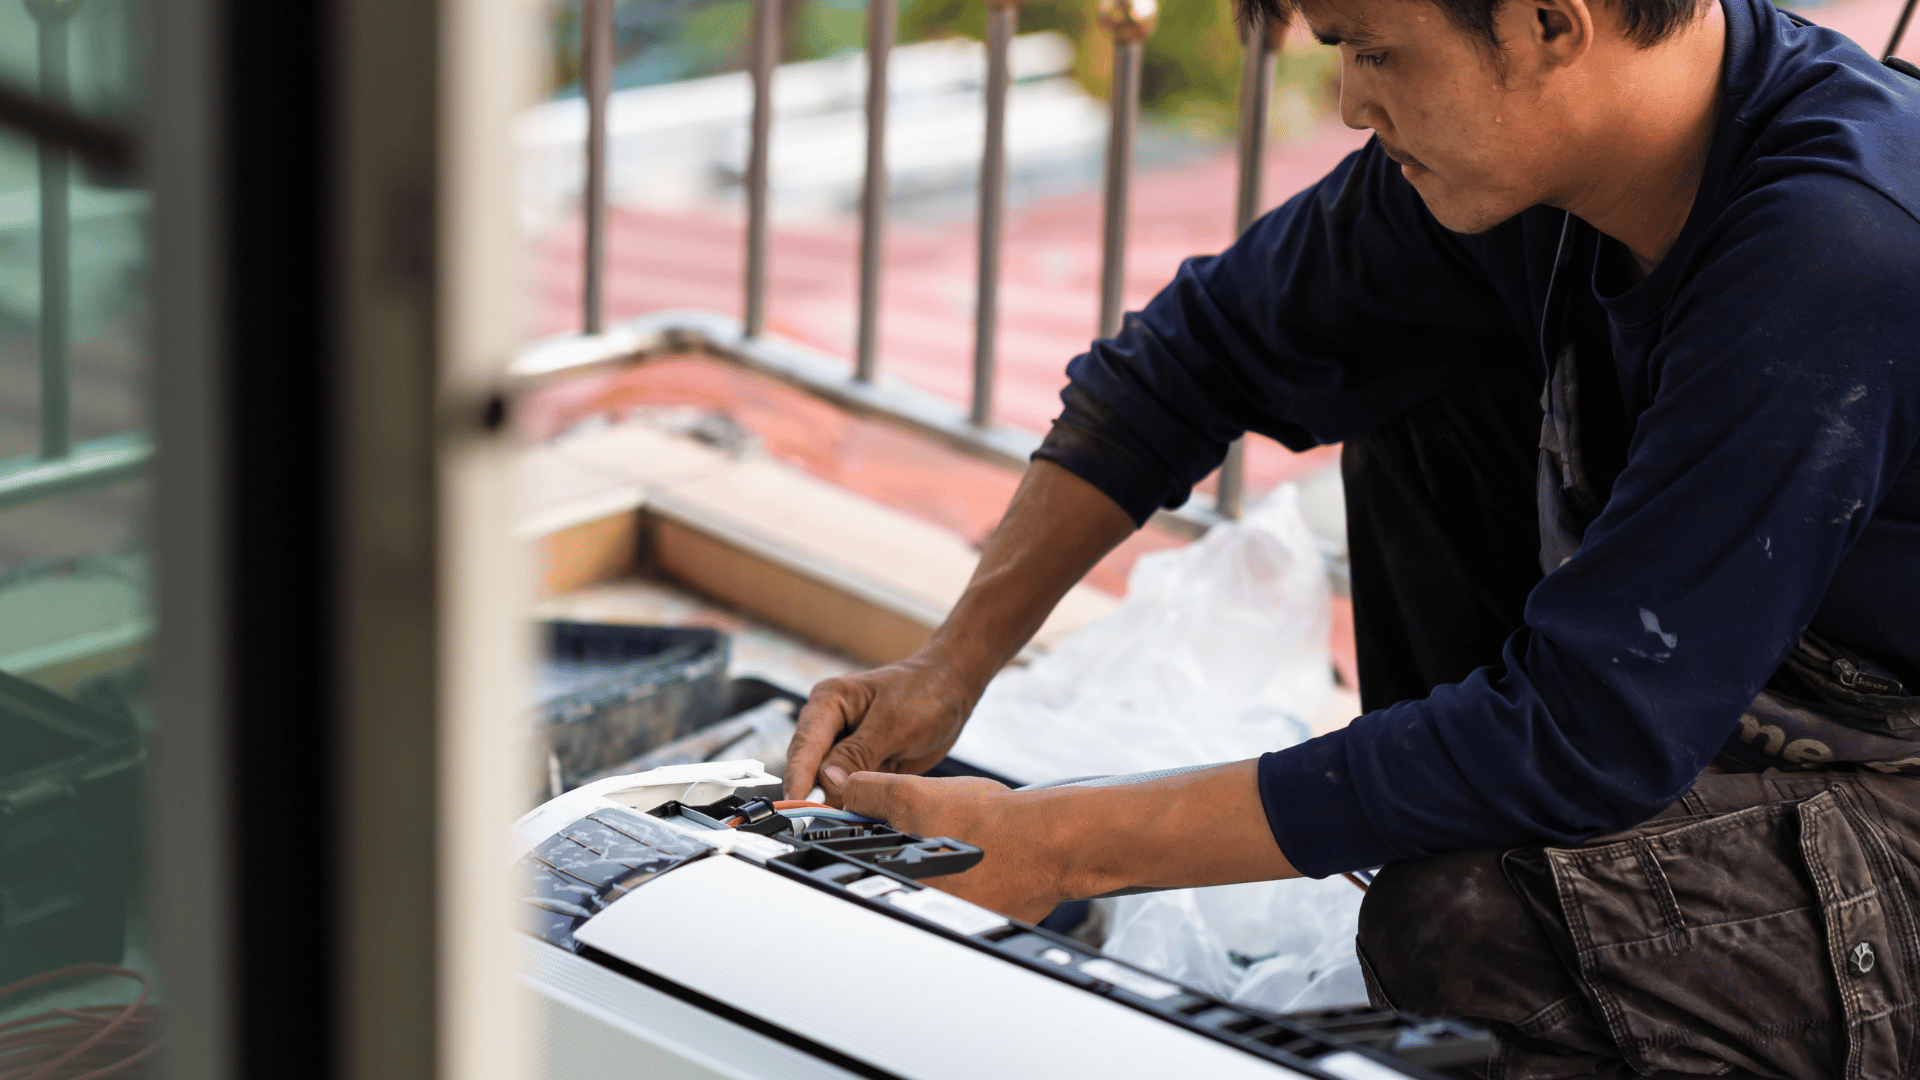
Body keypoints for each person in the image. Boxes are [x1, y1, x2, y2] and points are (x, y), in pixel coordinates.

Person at [783, 0, 1920, 1071]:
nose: (1350, 104)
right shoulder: (1545, 164)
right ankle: (1482, 835)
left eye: (1373, 50)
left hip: (1892, 791)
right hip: (1700, 698)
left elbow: (1585, 734)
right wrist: (948, 666)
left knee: (1472, 925)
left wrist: (1066, 842)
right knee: (1413, 376)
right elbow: (1198, 351)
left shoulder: (1834, 248)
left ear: (1547, 21)